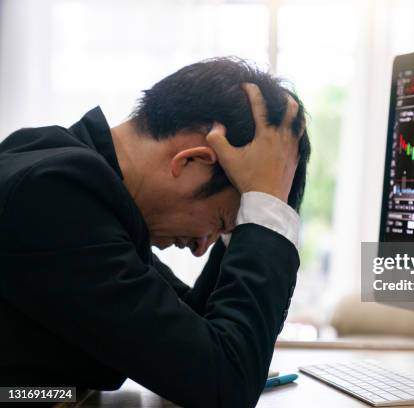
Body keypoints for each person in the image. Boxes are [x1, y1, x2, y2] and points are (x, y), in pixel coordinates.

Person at [0, 57, 310, 407]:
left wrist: (251, 216)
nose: (200, 248)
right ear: (192, 160)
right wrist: (265, 215)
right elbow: (225, 387)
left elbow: (192, 328)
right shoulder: (55, 196)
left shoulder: (74, 180)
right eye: (221, 222)